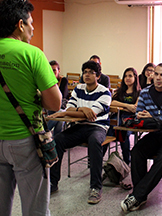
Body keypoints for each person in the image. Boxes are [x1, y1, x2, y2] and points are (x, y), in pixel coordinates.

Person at [0, 0, 62, 216]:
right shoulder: (32, 54)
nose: (33, 29)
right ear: (20, 24)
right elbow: (55, 103)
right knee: (34, 208)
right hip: (25, 143)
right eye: (31, 23)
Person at [120, 63, 162, 212]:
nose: (158, 78)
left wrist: (154, 118)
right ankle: (140, 196)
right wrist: (144, 117)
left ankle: (136, 196)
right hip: (155, 134)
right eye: (156, 74)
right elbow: (139, 115)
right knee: (136, 152)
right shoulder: (145, 93)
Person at [48, 60, 111, 204]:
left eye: (91, 72)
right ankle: (53, 183)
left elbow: (91, 115)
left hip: (98, 127)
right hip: (80, 127)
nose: (87, 75)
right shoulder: (78, 89)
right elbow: (70, 110)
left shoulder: (105, 92)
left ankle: (96, 187)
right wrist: (82, 109)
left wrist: (77, 112)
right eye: (85, 72)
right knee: (57, 140)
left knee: (95, 142)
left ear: (98, 76)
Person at [107, 67, 141, 164]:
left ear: (135, 78)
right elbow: (112, 102)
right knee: (109, 129)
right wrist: (127, 106)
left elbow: (135, 108)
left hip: (131, 119)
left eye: (130, 76)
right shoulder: (120, 91)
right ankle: (99, 157)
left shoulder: (139, 92)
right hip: (117, 116)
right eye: (125, 76)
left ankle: (126, 160)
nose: (127, 78)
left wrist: (123, 105)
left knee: (123, 132)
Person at [47, 60, 69, 136]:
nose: (52, 72)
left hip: (61, 105)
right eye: (50, 70)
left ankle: (45, 132)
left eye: (54, 70)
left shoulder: (63, 80)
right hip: (50, 106)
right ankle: (55, 140)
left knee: (60, 115)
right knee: (60, 119)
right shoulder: (46, 80)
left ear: (59, 70)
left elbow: (64, 95)